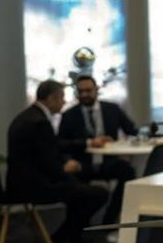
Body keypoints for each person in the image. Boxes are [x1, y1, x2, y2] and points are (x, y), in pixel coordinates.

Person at [6, 80, 108, 243]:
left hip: (21, 181)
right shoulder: (39, 122)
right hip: (34, 186)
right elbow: (48, 161)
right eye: (62, 98)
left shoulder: (29, 116)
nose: (64, 101)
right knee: (98, 193)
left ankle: (71, 237)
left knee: (78, 188)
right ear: (51, 98)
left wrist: (64, 169)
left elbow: (43, 154)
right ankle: (59, 240)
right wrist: (65, 170)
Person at [58, 75, 138, 227]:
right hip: (82, 164)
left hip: (108, 162)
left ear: (96, 90)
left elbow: (132, 130)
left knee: (128, 173)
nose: (84, 95)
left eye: (88, 90)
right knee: (75, 186)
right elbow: (61, 143)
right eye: (80, 91)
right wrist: (87, 144)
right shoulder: (69, 115)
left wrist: (121, 143)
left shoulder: (112, 109)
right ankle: (78, 227)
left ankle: (109, 220)